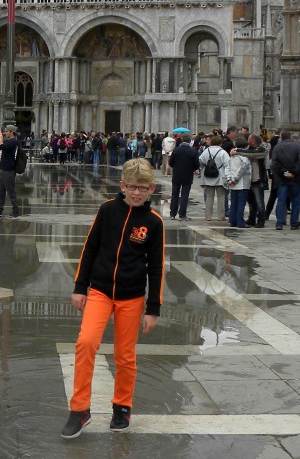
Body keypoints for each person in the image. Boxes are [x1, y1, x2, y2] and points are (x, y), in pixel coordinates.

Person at [61, 159, 164, 438]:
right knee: (86, 342)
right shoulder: (107, 210)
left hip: (131, 297)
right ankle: (80, 409)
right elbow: (90, 248)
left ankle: (122, 406)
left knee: (125, 355)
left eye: (143, 188)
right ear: (122, 186)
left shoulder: (153, 223)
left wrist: (153, 308)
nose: (137, 193)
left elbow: (156, 267)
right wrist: (80, 286)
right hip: (100, 290)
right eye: (132, 187)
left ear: (151, 188)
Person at [270, 131, 300, 230]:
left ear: (281, 137)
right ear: (290, 137)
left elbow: (274, 163)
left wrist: (284, 172)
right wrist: (293, 172)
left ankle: (280, 223)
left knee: (281, 200)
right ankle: (294, 223)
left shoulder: (277, 147)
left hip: (281, 178)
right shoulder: (298, 147)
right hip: (295, 177)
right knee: (296, 201)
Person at [168, 133, 199, 220]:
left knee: (175, 194)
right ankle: (182, 214)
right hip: (188, 175)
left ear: (181, 140)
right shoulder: (193, 151)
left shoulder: (176, 150)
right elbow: (197, 165)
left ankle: (172, 213)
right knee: (185, 195)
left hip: (177, 174)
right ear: (190, 141)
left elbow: (170, 163)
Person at [198, 134, 229, 221]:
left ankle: (208, 216)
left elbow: (200, 162)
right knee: (221, 197)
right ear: (220, 143)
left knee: (209, 197)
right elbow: (227, 164)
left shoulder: (206, 151)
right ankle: (221, 216)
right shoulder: (223, 152)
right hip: (220, 176)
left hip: (208, 176)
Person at [225, 136, 252, 228]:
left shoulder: (232, 155)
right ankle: (240, 221)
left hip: (232, 181)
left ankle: (233, 220)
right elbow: (243, 169)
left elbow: (227, 167)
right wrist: (235, 179)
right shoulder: (244, 156)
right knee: (241, 203)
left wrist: (229, 178)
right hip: (242, 182)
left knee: (234, 203)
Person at [0, 125, 20, 218]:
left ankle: (15, 211)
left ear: (11, 132)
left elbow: (0, 146)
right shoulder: (8, 141)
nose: (5, 133)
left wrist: (1, 136)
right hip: (2, 170)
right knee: (1, 192)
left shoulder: (13, 142)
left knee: (11, 192)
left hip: (9, 171)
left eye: (6, 131)